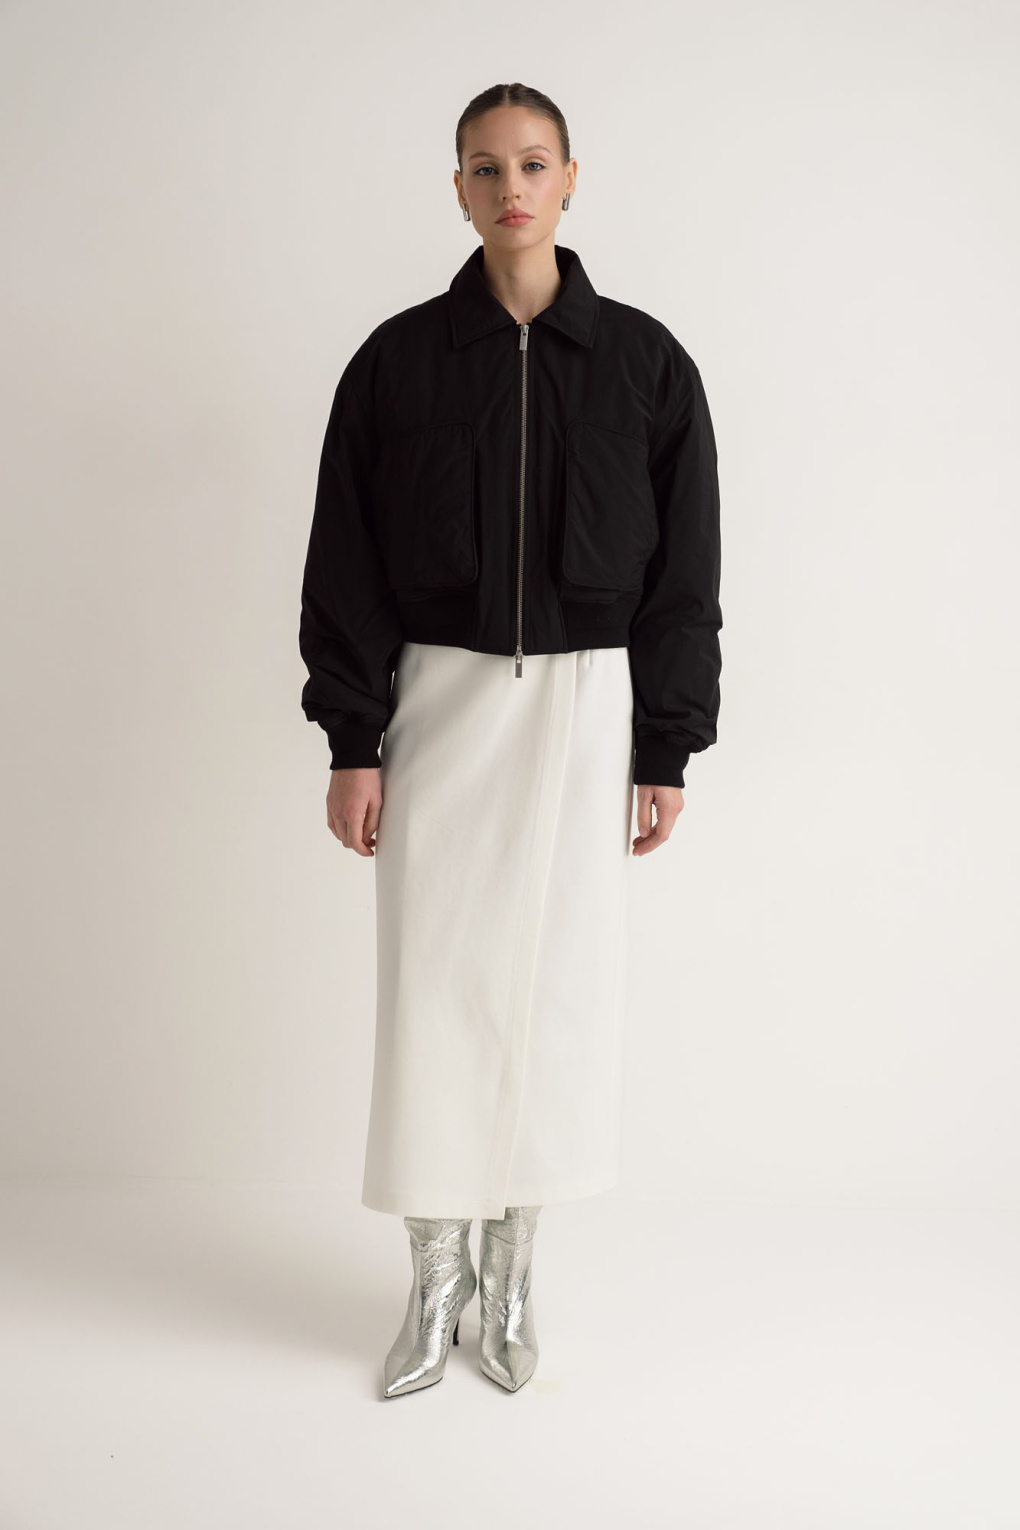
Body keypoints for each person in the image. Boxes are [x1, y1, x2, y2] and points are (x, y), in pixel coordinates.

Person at [298, 82, 722, 1399]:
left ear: (571, 178)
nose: (511, 188)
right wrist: (353, 736)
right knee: (433, 990)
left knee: (558, 991)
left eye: (533, 164)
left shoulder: (645, 363)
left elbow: (685, 573)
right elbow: (344, 558)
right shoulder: (399, 361)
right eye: (485, 168)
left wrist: (665, 746)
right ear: (459, 190)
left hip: (589, 708)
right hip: (441, 700)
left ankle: (515, 1265)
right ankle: (435, 1272)